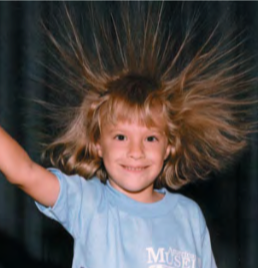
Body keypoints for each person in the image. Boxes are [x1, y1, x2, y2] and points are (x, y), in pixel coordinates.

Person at [0, 2, 256, 268]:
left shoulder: (189, 216)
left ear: (169, 145)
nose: (136, 151)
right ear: (98, 143)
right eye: (121, 137)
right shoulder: (88, 203)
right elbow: (23, 171)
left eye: (150, 138)